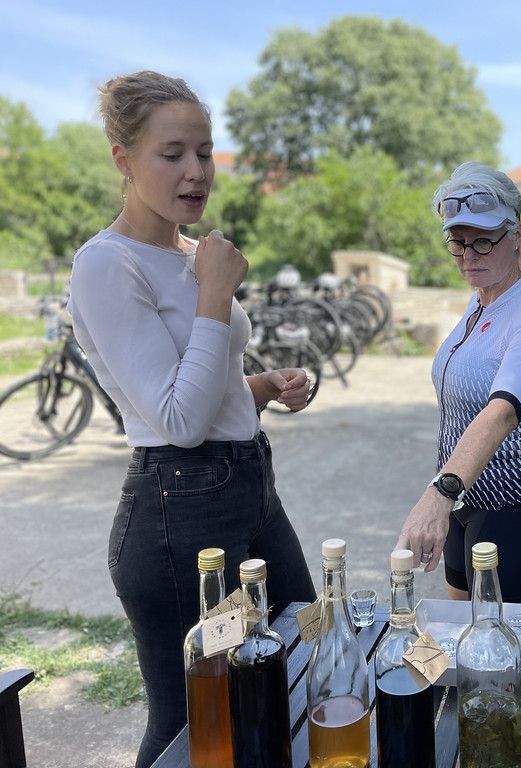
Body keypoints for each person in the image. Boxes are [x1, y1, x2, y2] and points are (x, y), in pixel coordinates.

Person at [67, 71, 316, 767]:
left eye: (204, 152)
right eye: (171, 153)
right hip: (180, 514)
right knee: (194, 726)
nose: (195, 171)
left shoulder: (190, 254)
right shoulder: (106, 264)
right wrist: (214, 291)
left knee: (300, 655)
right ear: (124, 158)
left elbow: (201, 388)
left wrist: (261, 385)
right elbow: (176, 418)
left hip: (248, 489)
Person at [396, 162, 521, 604]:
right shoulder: (480, 303)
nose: (470, 255)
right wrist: (449, 492)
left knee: (498, 654)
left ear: (517, 236)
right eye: (458, 242)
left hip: (516, 503)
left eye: (485, 241)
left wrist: (438, 493)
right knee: (459, 638)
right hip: (463, 496)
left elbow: (502, 410)